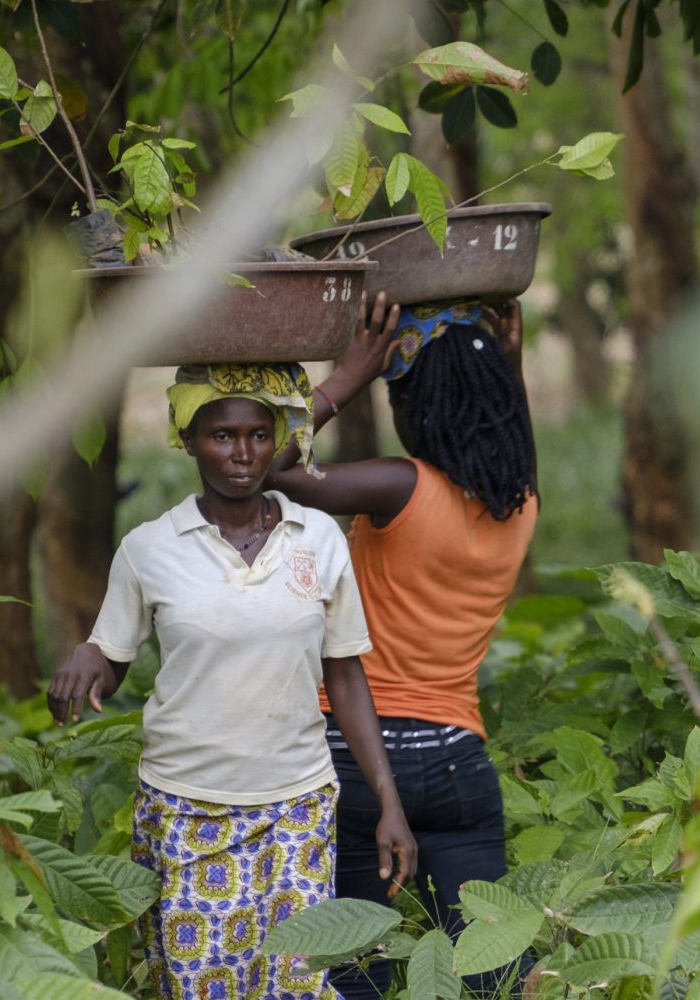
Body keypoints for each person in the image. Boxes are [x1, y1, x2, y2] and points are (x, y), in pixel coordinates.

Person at [47, 363, 417, 1000]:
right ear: (187, 439)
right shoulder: (149, 549)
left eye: (257, 435)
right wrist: (86, 655)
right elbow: (112, 658)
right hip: (188, 806)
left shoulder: (320, 538)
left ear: (278, 441)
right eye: (221, 436)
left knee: (297, 985)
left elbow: (346, 674)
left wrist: (389, 800)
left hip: (298, 805)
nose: (242, 454)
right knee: (202, 986)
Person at [269, 294, 539, 998]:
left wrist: (349, 374)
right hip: (459, 766)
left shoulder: (400, 486)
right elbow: (512, 440)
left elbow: (265, 469)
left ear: (418, 405)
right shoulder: (523, 504)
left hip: (358, 762)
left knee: (357, 970)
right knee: (494, 973)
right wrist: (509, 365)